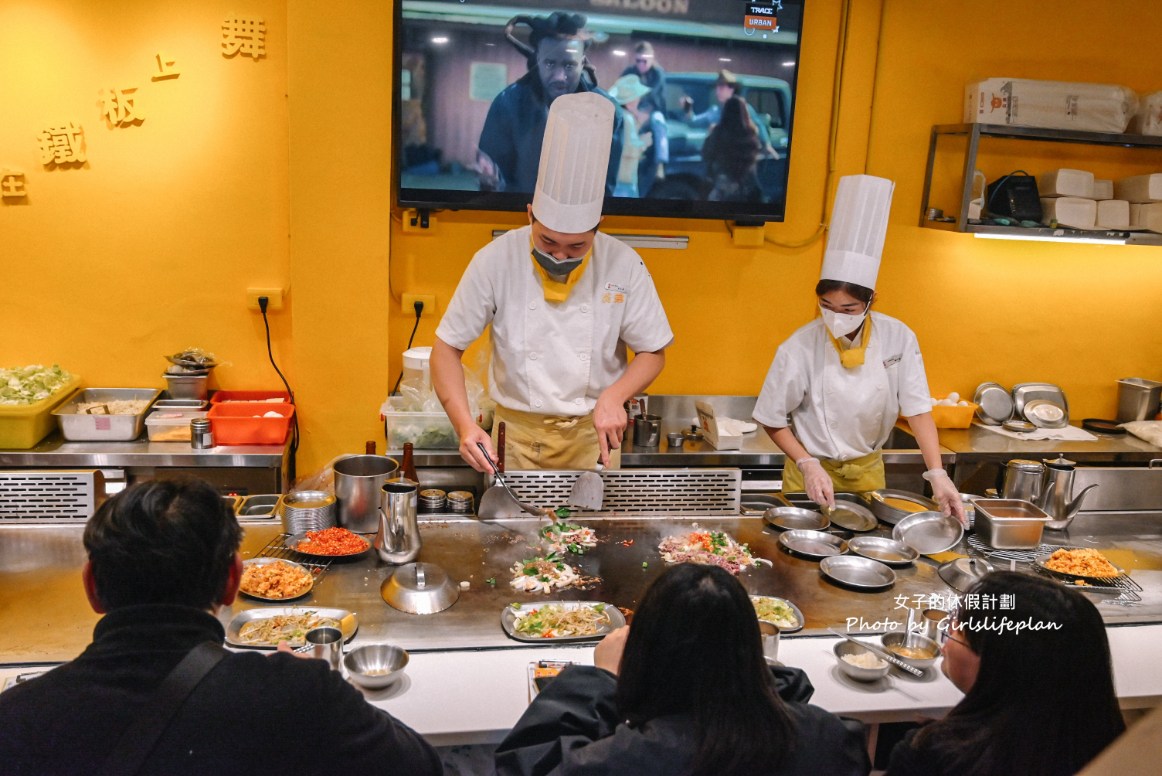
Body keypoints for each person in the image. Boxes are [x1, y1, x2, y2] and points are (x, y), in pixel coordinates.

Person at [0, 478, 441, 776]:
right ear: (233, 581)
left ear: (92, 587)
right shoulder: (295, 696)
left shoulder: (16, 718)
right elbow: (423, 767)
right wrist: (315, 687)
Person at [436, 92, 673, 473]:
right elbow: (446, 348)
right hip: (512, 441)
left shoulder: (623, 263)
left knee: (593, 535)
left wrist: (616, 396)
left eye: (576, 246)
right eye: (547, 241)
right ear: (530, 214)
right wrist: (465, 426)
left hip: (595, 440)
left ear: (597, 229)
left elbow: (653, 351)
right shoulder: (495, 259)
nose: (560, 256)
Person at [493, 563, 870, 775]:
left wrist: (600, 679)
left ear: (646, 652)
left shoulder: (627, 759)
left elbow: (524, 765)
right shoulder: (826, 736)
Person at [754, 175, 967, 524]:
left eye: (848, 309)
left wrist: (938, 474)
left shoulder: (899, 337)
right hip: (810, 474)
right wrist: (806, 463)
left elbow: (917, 411)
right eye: (826, 306)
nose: (836, 317)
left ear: (871, 302)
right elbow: (770, 418)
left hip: (869, 475)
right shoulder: (799, 346)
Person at [887, 571, 1125, 776]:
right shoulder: (1115, 752)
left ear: (996, 665)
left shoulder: (931, 757)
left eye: (959, 628)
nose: (949, 631)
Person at [477, 11, 621, 194]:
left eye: (569, 65)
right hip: (521, 216)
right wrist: (491, 181)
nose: (560, 77)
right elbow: (493, 183)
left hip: (582, 220)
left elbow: (606, 191)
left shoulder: (607, 112)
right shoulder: (508, 104)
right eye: (550, 64)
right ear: (538, 59)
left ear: (582, 62)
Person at [681, 69, 777, 158]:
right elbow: (693, 121)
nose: (718, 91)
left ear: (731, 89)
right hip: (719, 157)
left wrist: (766, 144)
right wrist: (688, 108)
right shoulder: (714, 111)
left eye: (722, 87)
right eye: (717, 87)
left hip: (738, 157)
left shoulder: (743, 109)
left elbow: (758, 125)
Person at [607, 73, 661, 199]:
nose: (638, 100)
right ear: (630, 101)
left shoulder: (619, 115)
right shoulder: (627, 119)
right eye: (636, 97)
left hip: (616, 176)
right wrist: (644, 143)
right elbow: (628, 149)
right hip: (625, 178)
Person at [702, 94, 763, 202]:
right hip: (747, 188)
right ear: (745, 112)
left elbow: (706, 154)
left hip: (722, 186)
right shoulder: (750, 133)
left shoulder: (717, 132)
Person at [619, 41, 667, 116]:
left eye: (644, 61)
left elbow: (651, 94)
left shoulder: (657, 74)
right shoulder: (629, 72)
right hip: (630, 111)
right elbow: (620, 89)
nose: (641, 64)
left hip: (654, 112)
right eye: (638, 61)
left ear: (651, 59)